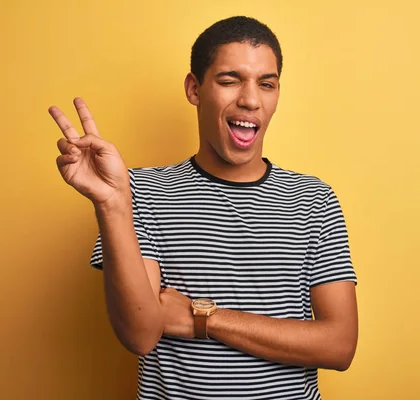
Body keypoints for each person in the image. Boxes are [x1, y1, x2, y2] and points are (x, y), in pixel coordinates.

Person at [49, 15, 358, 400]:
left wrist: (205, 318)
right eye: (229, 80)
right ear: (194, 89)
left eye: (267, 84)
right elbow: (140, 335)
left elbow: (339, 345)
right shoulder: (140, 192)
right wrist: (112, 203)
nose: (249, 98)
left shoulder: (313, 199)